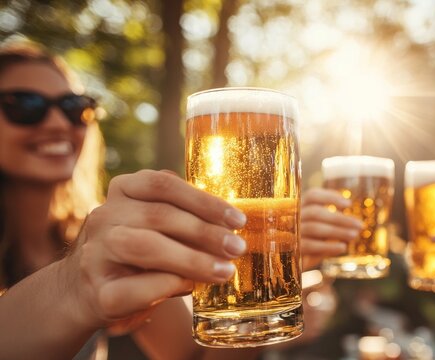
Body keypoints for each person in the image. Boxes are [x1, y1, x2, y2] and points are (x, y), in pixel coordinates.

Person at [0, 41, 361, 359]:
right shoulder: (95, 247)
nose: (58, 123)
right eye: (25, 105)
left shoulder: (97, 235)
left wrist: (261, 280)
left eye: (73, 106)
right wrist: (70, 286)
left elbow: (192, 357)